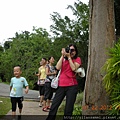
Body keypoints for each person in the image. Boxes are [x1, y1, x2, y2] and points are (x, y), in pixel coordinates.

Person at [46, 44, 81, 120]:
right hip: (61, 85)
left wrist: (69, 57)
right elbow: (57, 67)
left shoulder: (77, 59)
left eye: (73, 50)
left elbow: (73, 68)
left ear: (75, 51)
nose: (71, 52)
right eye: (69, 50)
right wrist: (62, 55)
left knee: (68, 109)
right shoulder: (63, 59)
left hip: (72, 86)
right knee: (54, 106)